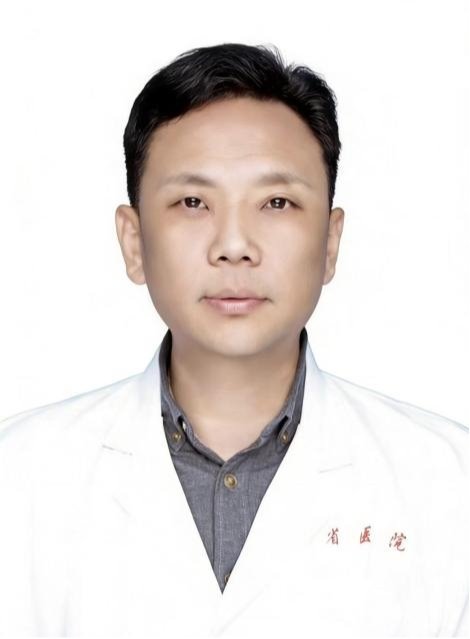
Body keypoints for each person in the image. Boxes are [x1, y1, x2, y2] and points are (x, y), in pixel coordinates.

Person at [0, 42, 467, 638]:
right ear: (134, 242)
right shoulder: (18, 475)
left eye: (277, 202)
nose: (234, 245)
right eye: (193, 202)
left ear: (330, 242)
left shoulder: (448, 481)